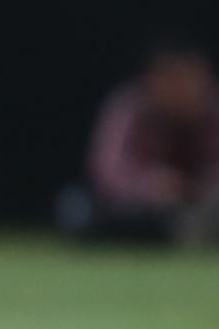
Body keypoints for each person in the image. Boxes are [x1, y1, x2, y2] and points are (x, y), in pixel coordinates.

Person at [61, 42, 219, 246]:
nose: (183, 89)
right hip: (140, 210)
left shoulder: (213, 113)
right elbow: (107, 169)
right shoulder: (129, 108)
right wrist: (151, 186)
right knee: (77, 209)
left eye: (190, 79)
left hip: (201, 206)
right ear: (154, 80)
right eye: (174, 80)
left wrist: (198, 188)